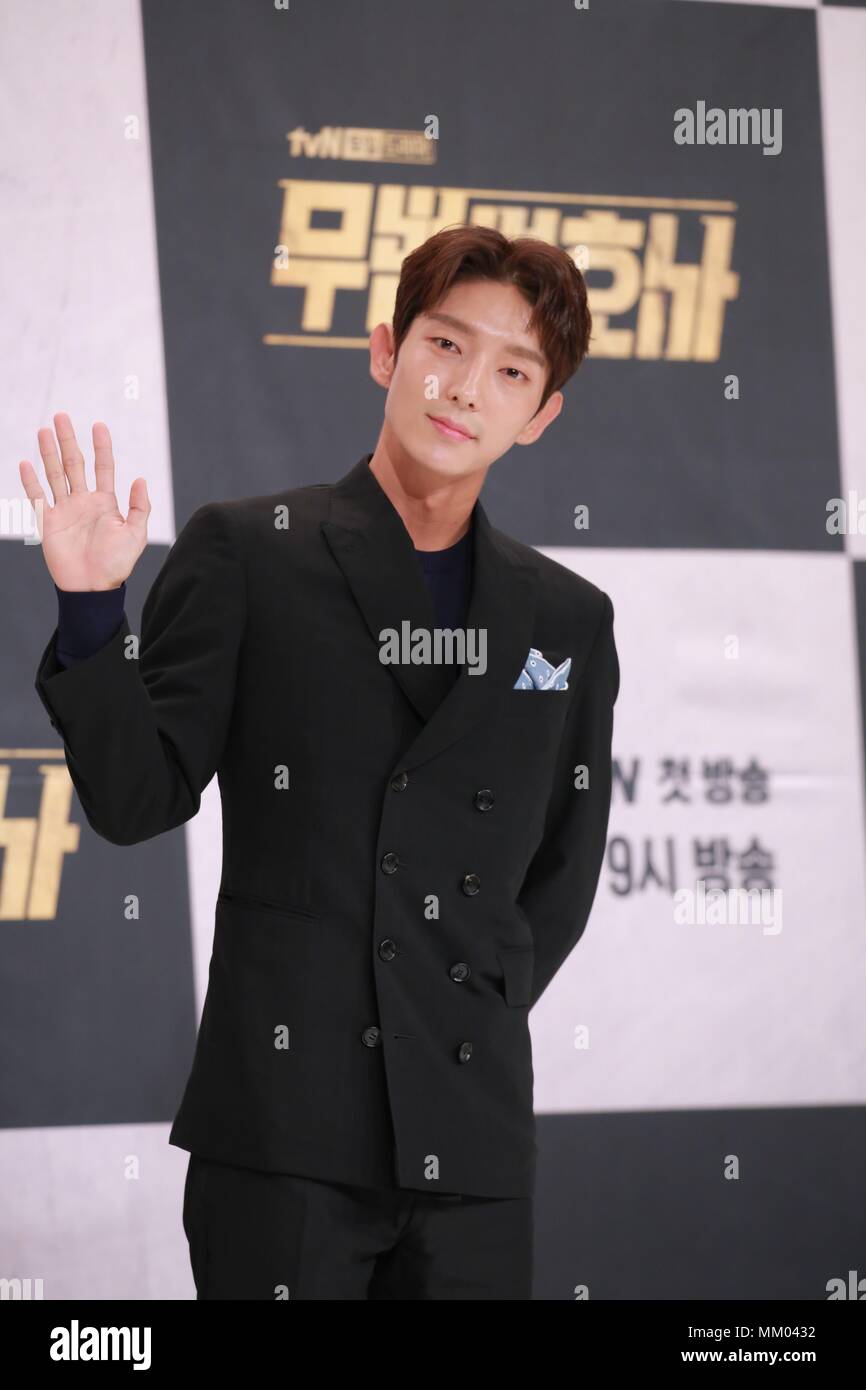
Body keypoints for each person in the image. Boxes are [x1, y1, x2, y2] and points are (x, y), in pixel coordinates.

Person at [21, 224, 620, 1300]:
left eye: (511, 369)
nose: (465, 386)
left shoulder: (567, 617)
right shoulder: (252, 549)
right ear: (386, 349)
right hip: (282, 1128)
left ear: (540, 415)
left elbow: (561, 874)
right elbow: (135, 795)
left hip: (471, 1136)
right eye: (445, 344)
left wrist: (465, 1007)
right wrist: (90, 610)